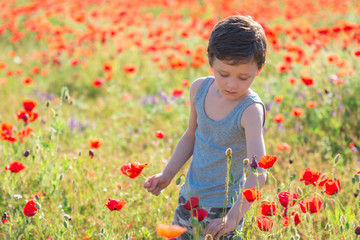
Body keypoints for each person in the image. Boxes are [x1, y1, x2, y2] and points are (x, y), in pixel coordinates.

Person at [144, 15, 268, 240]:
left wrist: (232, 218)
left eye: (243, 77)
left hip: (223, 211)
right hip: (188, 199)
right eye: (223, 74)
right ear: (210, 61)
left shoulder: (250, 110)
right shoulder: (199, 89)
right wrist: (168, 174)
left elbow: (259, 173)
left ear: (259, 70)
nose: (232, 84)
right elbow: (191, 136)